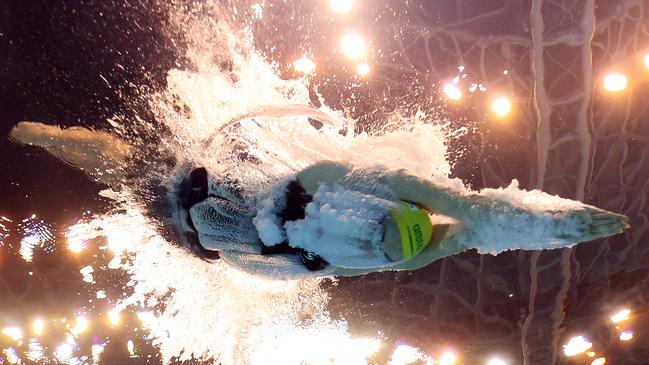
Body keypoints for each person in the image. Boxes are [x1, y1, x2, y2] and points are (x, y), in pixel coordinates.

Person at [9, 121, 630, 280]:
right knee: (125, 176)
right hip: (207, 233)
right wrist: (552, 227)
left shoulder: (351, 186)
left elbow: (466, 213)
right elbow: (474, 227)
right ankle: (55, 145)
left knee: (126, 165)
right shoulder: (379, 257)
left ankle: (54, 141)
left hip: (214, 204)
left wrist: (556, 222)